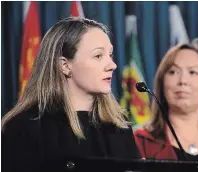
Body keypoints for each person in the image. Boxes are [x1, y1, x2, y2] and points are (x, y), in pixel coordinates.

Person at [2, 17, 140, 172]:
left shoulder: (119, 125)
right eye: (98, 56)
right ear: (65, 65)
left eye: (110, 55)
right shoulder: (24, 127)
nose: (112, 65)